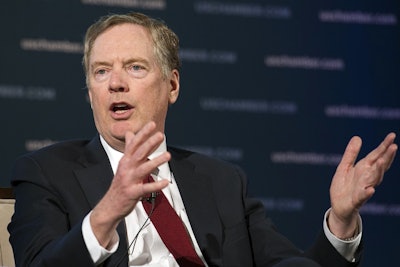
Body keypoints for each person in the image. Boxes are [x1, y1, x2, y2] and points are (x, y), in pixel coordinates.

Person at [8, 12, 397, 267]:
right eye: (101, 71)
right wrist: (109, 211)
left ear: (172, 85)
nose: (115, 83)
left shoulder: (222, 181)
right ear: (89, 90)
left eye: (135, 67)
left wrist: (341, 223)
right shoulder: (45, 172)